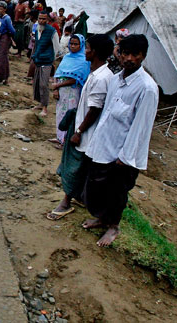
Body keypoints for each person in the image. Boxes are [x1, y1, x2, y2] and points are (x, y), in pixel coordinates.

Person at [82, 34, 159, 246]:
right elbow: (107, 114)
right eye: (126, 53)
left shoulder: (147, 88)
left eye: (135, 54)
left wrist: (125, 157)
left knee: (116, 193)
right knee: (98, 189)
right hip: (104, 145)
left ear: (143, 56)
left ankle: (113, 227)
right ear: (120, 54)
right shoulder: (116, 80)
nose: (129, 58)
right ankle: (101, 219)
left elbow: (141, 127)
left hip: (122, 154)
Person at [47, 34, 114, 221]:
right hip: (83, 128)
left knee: (73, 166)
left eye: (87, 48)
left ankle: (66, 202)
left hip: (86, 132)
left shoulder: (101, 78)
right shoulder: (97, 73)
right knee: (83, 167)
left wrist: (79, 131)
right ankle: (80, 197)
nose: (85, 51)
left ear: (95, 52)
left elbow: (94, 109)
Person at [51, 35, 91, 145]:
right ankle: (59, 137)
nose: (72, 46)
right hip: (60, 90)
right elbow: (58, 73)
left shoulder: (84, 60)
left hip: (72, 92)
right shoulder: (67, 57)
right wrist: (56, 88)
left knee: (69, 114)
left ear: (81, 45)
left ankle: (66, 140)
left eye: (75, 44)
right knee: (60, 113)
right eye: (71, 44)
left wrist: (58, 86)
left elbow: (76, 79)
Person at [32, 12, 60, 117]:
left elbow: (56, 47)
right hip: (38, 59)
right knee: (37, 82)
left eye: (43, 19)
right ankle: (40, 103)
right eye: (40, 18)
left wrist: (52, 58)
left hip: (47, 60)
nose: (41, 21)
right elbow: (37, 44)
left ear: (47, 20)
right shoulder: (37, 30)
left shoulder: (52, 31)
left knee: (44, 84)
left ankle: (45, 108)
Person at [0, 1, 16, 86]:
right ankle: (5, 78)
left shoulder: (7, 18)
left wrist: (7, 35)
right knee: (2, 59)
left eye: (0, 9)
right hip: (0, 38)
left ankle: (0, 79)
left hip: (4, 39)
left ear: (5, 9)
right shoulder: (1, 17)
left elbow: (12, 30)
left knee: (0, 58)